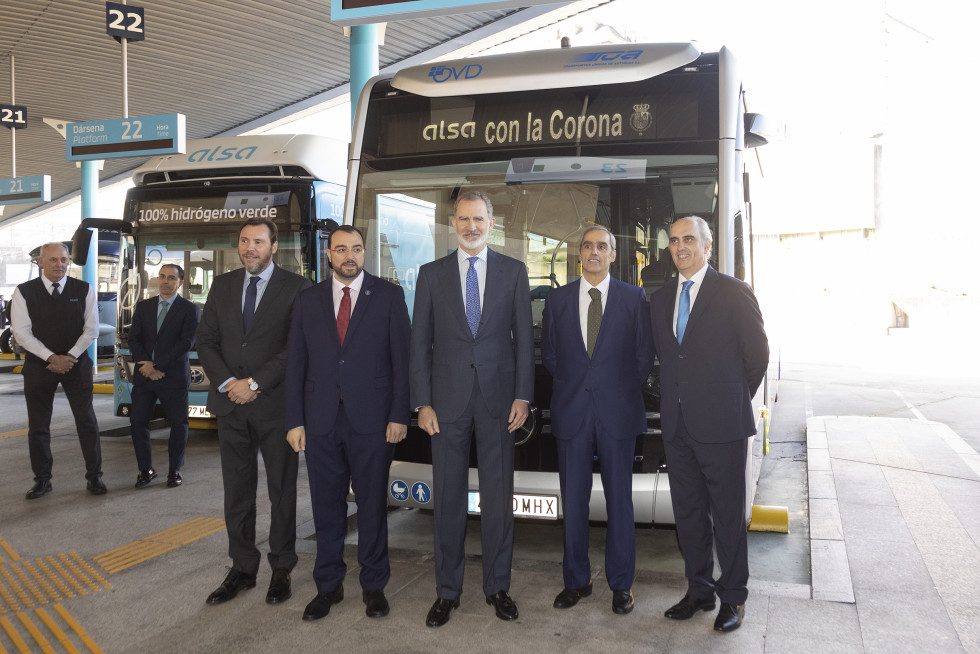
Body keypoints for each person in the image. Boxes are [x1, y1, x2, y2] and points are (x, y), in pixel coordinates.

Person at [410, 190, 534, 628]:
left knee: (498, 499)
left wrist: (523, 395)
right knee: (447, 499)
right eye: (463, 219)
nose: (471, 226)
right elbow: (419, 344)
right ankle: (447, 592)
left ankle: (498, 587)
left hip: (501, 403)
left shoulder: (514, 272)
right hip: (445, 405)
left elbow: (524, 342)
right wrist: (421, 402)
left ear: (492, 222)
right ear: (453, 222)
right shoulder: (430, 275)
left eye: (479, 218)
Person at [284, 225, 411, 622]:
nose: (349, 256)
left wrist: (398, 415)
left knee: (373, 505)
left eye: (356, 249)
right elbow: (296, 365)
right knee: (326, 508)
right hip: (320, 421)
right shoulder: (307, 301)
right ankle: (328, 586)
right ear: (329, 255)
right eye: (341, 250)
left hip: (373, 421)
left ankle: (374, 586)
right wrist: (294, 421)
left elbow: (401, 363)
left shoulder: (388, 296)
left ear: (364, 252)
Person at [649, 215, 769, 633]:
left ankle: (733, 598)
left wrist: (728, 400)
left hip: (723, 427)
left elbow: (757, 358)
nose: (680, 247)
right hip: (678, 428)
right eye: (674, 241)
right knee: (689, 515)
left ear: (707, 245)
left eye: (688, 240)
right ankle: (698, 591)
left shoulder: (734, 293)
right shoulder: (662, 299)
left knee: (728, 518)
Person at [195, 218, 312, 607]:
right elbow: (206, 341)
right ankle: (243, 568)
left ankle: (281, 569)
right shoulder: (223, 285)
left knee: (281, 492)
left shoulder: (297, 288)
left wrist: (256, 383)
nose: (250, 248)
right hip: (231, 407)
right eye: (244, 241)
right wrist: (230, 384)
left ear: (274, 246)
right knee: (237, 493)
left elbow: (296, 348)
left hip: (276, 408)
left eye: (258, 242)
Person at [540, 225, 655, 616]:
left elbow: (643, 357)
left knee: (619, 502)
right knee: (572, 502)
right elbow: (552, 357)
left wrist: (614, 389)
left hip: (618, 415)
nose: (593, 252)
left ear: (613, 254)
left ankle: (621, 585)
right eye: (587, 246)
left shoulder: (634, 298)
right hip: (572, 414)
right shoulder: (556, 301)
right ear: (579, 254)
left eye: (601, 247)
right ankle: (576, 581)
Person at [11, 242, 105, 498]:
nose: (59, 265)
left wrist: (69, 357)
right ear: (40, 262)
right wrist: (51, 357)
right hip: (39, 366)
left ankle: (94, 477)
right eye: (53, 260)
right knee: (39, 426)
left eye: (64, 260)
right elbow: (21, 332)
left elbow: (91, 330)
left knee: (86, 421)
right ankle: (42, 479)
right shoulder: (23, 292)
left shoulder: (84, 289)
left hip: (76, 364)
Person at [127, 264, 200, 489]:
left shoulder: (190, 309)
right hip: (144, 377)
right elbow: (134, 339)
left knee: (179, 424)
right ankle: (145, 470)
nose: (165, 281)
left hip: (174, 376)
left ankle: (174, 470)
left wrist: (156, 364)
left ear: (180, 282)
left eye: (171, 278)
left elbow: (185, 343)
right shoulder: (144, 307)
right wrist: (146, 366)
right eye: (161, 277)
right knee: (138, 422)